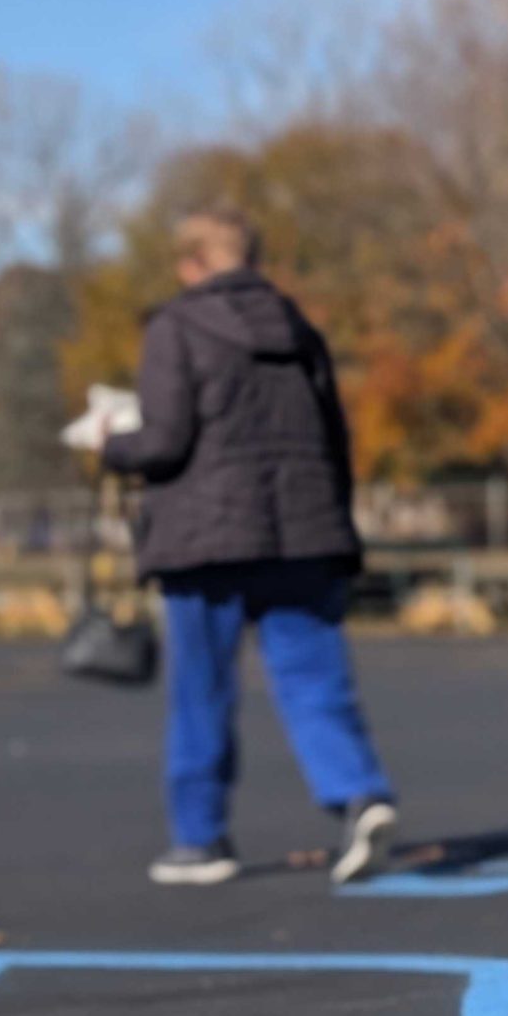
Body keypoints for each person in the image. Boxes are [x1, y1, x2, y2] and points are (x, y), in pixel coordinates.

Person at [84, 205, 397, 887]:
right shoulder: (299, 328)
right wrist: (339, 530)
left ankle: (200, 842)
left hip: (207, 537)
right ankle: (360, 794)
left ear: (192, 263)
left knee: (202, 689)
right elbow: (335, 441)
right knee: (315, 680)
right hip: (305, 533)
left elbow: (165, 440)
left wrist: (111, 445)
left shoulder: (176, 326)